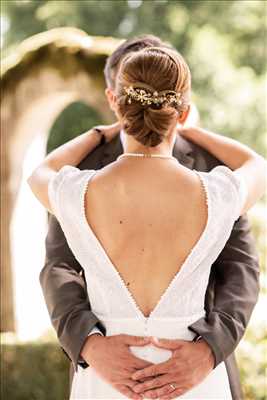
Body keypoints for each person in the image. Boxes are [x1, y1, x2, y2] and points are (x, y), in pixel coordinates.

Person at [34, 36, 263, 399]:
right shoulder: (219, 189)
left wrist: (210, 349)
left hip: (136, 381)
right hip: (134, 372)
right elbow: (258, 165)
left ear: (116, 101)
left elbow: (242, 272)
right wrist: (88, 345)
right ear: (183, 109)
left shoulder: (75, 187)